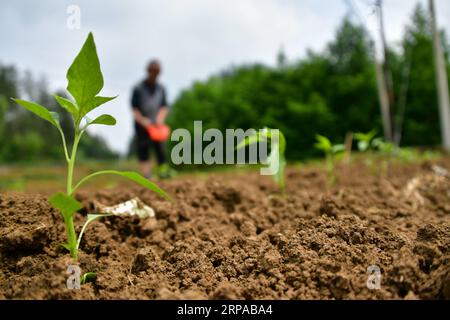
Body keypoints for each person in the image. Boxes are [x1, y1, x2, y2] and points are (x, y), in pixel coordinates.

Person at [131, 59, 169, 178]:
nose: (155, 74)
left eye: (157, 72)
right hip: (142, 124)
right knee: (143, 149)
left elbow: (164, 106)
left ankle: (163, 172)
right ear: (148, 71)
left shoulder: (161, 89)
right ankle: (146, 175)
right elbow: (134, 108)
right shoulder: (138, 88)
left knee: (160, 149)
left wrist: (160, 118)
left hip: (156, 124)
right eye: (153, 71)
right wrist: (142, 120)